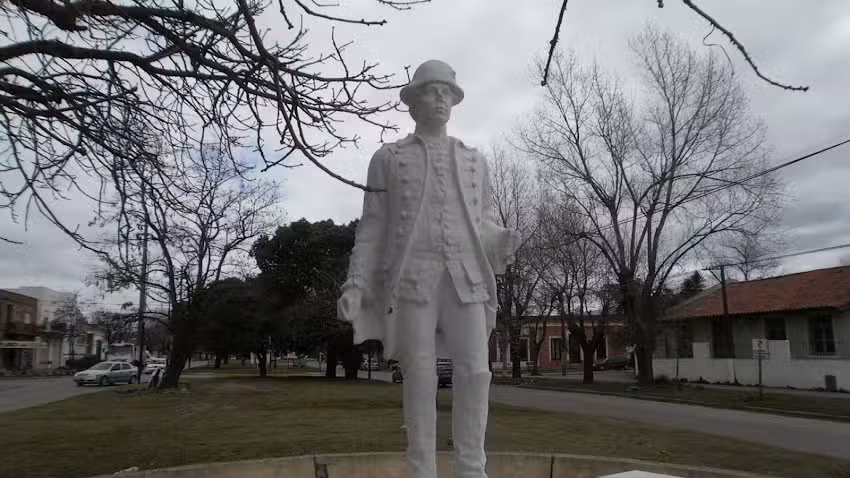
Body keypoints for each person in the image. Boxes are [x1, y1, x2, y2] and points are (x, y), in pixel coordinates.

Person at [338, 60, 520, 478]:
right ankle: (422, 470)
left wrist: (499, 238)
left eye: (447, 93)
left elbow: (480, 222)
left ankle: (472, 469)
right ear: (413, 101)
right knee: (419, 375)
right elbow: (373, 226)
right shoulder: (388, 158)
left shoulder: (474, 160)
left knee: (476, 370)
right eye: (432, 92)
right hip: (413, 278)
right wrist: (356, 282)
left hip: (466, 277)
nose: (440, 100)